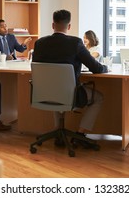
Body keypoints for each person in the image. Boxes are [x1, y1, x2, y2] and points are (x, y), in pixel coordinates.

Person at [32, 9, 108, 148]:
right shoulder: (76, 43)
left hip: (43, 93)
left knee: (54, 86)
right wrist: (105, 68)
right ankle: (80, 134)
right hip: (69, 95)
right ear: (69, 26)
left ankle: (57, 129)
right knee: (98, 98)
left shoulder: (39, 43)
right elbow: (96, 68)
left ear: (53, 25)